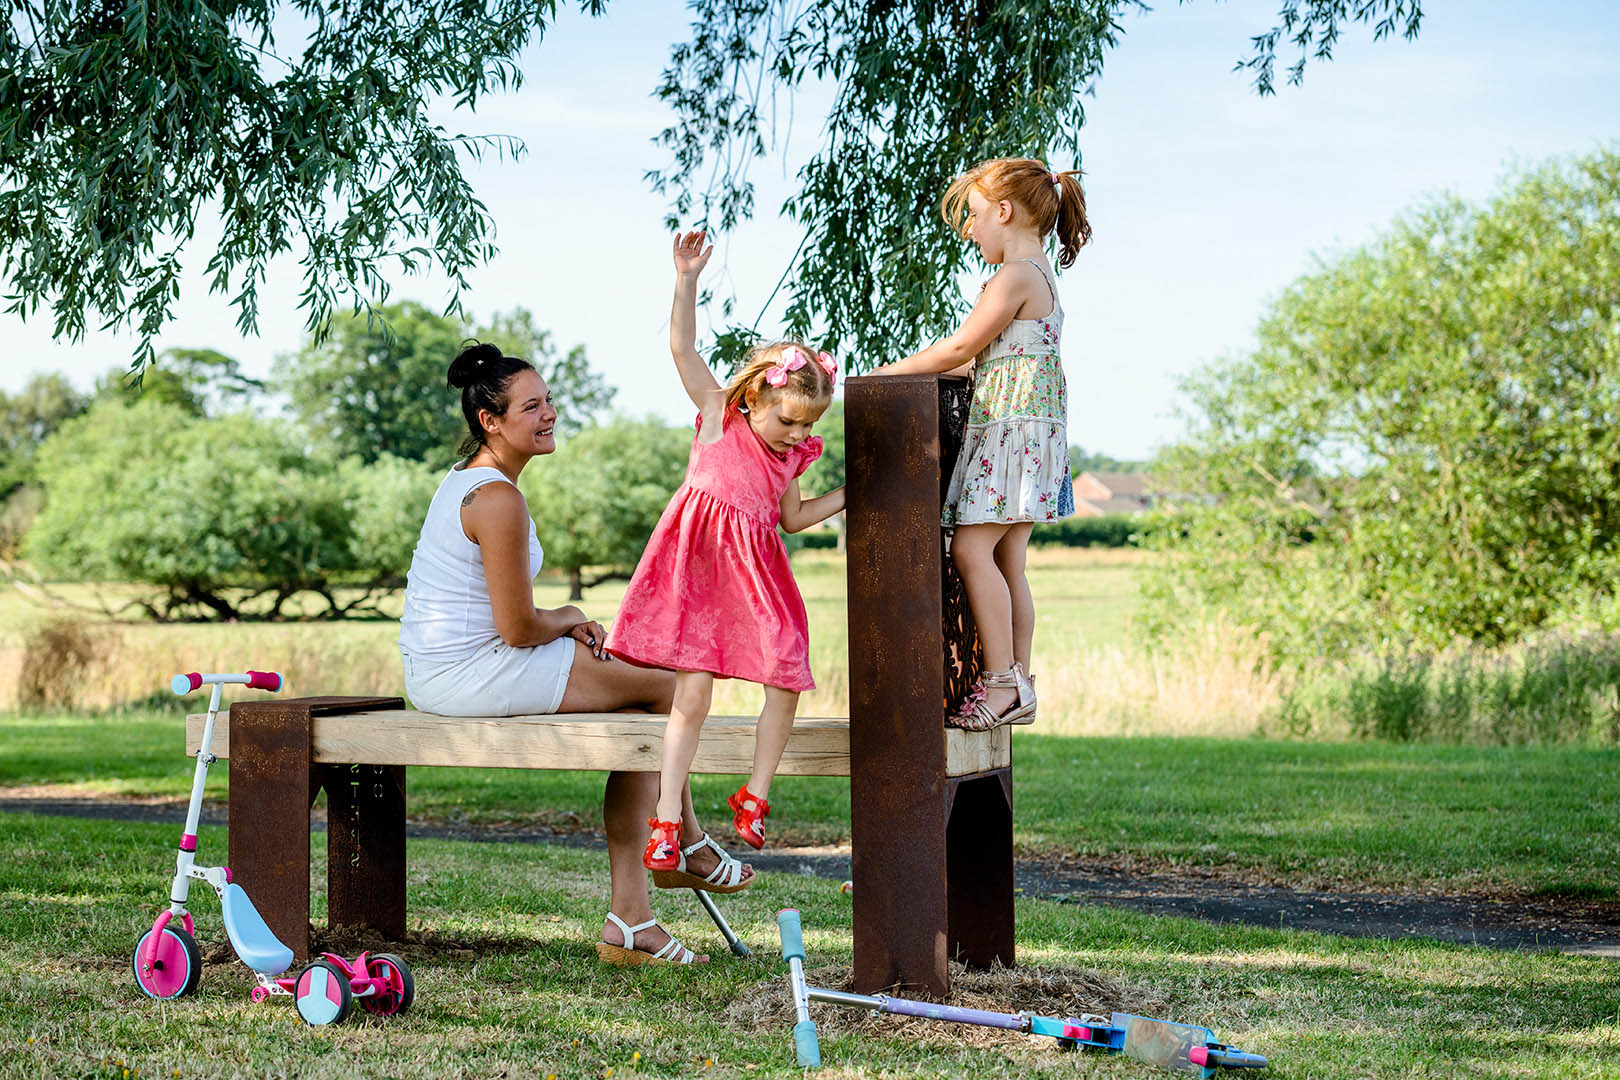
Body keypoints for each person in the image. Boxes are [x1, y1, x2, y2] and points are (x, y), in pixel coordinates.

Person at [397, 341, 754, 967]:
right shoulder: (497, 499)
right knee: (671, 685)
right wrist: (568, 618)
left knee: (649, 716)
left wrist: (561, 623)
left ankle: (632, 921)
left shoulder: (472, 483)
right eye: (531, 406)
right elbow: (516, 627)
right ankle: (687, 843)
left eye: (549, 400)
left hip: (450, 670)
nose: (548, 414)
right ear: (491, 421)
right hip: (470, 673)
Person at [608, 230, 846, 872]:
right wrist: (686, 278)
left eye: (808, 426)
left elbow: (793, 518)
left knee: (787, 670)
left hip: (755, 573)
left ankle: (754, 795)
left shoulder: (792, 456)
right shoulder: (720, 416)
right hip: (696, 570)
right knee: (691, 697)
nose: (796, 434)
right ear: (755, 397)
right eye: (787, 421)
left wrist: (850, 495)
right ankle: (664, 822)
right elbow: (682, 348)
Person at [874, 157, 1090, 730]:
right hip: (1030, 433)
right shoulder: (1039, 273)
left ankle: (1000, 684)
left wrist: (884, 376)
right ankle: (1019, 679)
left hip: (1011, 432)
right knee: (1007, 558)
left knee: (971, 550)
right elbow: (981, 359)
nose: (969, 229)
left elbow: (959, 349)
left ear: (1003, 211)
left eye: (972, 216)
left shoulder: (1015, 276)